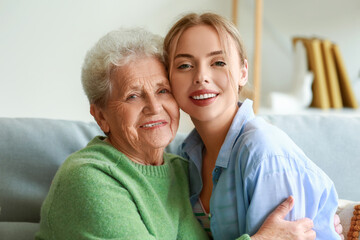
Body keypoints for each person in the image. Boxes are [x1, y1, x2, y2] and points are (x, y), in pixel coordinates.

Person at [35, 27, 315, 240]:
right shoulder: (88, 178)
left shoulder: (185, 171)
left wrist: (331, 215)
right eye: (133, 96)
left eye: (162, 91)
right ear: (101, 116)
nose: (154, 108)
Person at [164, 12, 343, 240]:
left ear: (243, 72)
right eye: (185, 65)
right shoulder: (187, 154)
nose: (201, 76)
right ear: (168, 79)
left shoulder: (263, 153)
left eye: (218, 62)